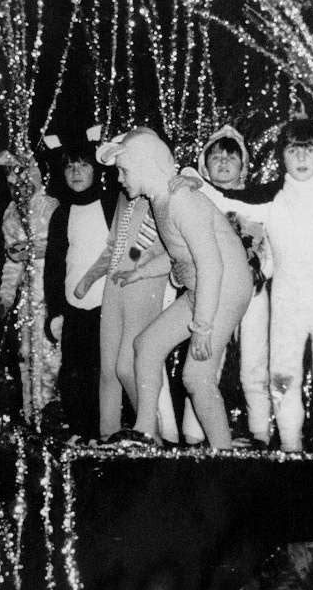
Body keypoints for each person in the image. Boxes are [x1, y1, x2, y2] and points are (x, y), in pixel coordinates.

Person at [182, 118, 313, 453]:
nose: (302, 158)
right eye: (293, 150)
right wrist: (193, 181)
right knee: (282, 380)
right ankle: (290, 450)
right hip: (288, 305)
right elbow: (227, 200)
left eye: (309, 149)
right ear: (282, 156)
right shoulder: (272, 195)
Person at [100, 127, 254, 450]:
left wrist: (202, 326)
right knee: (146, 345)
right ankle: (145, 432)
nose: (120, 179)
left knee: (195, 378)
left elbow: (211, 264)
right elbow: (177, 257)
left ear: (145, 164)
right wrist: (138, 273)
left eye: (124, 170)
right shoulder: (161, 201)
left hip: (223, 288)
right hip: (207, 287)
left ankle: (223, 453)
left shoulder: (180, 199)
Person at [74, 155, 179, 444]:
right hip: (115, 285)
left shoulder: (163, 198)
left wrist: (137, 265)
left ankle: (151, 431)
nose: (119, 177)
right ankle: (107, 434)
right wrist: (89, 277)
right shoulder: (125, 198)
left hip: (143, 285)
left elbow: (167, 249)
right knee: (108, 367)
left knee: (127, 365)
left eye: (125, 170)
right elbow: (114, 246)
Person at [181, 125, 272, 448]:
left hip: (255, 291)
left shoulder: (258, 201)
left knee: (254, 365)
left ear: (242, 164)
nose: (222, 163)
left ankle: (261, 434)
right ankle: (193, 434)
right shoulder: (197, 199)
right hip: (214, 293)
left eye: (230, 157)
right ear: (204, 163)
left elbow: (270, 246)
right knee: (205, 361)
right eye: (215, 157)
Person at [44, 135, 116, 442]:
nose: (76, 172)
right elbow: (54, 267)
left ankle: (104, 433)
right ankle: (79, 431)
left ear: (96, 170)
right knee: (74, 373)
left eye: (84, 165)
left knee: (105, 372)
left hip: (109, 305)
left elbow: (131, 249)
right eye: (70, 166)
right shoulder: (61, 214)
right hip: (74, 310)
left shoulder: (111, 204)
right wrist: (55, 312)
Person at [0, 151, 59, 423]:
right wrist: (5, 298)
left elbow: (61, 248)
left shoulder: (50, 207)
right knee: (26, 356)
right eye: (11, 182)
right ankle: (33, 417)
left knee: (52, 356)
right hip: (27, 300)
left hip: (52, 292)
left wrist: (33, 249)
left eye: (21, 179)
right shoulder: (10, 214)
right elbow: (12, 263)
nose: (17, 186)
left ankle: (55, 416)